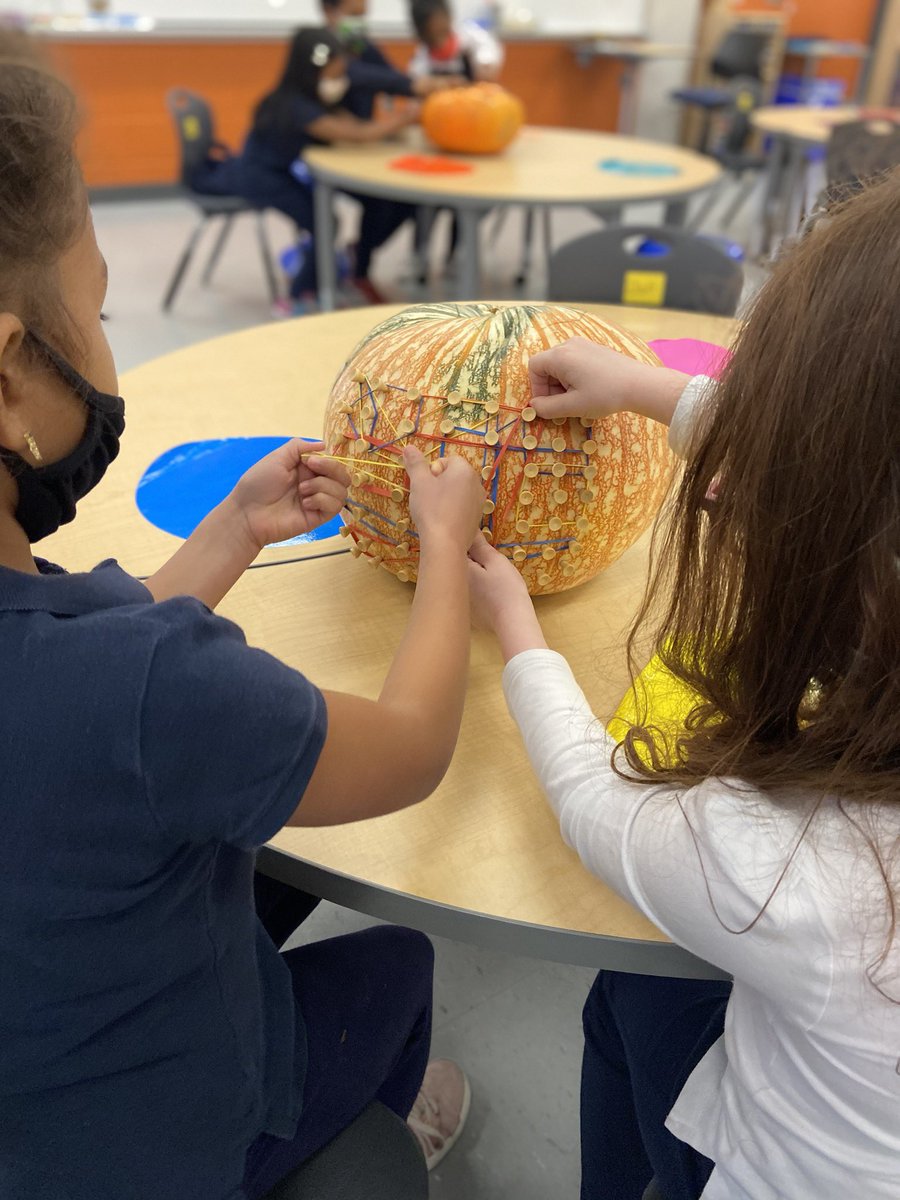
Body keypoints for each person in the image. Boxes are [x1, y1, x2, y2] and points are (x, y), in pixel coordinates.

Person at [0, 47, 482, 1199]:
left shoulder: (85, 668)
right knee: (399, 959)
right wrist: (451, 551)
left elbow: (82, 673)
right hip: (150, 1145)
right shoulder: (159, 689)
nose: (108, 341)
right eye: (99, 309)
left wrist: (231, 531)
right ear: (12, 372)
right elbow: (412, 746)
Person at [467, 173, 900, 1200]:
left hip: (768, 1168)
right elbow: (848, 470)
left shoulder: (798, 867)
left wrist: (517, 623)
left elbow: (588, 798)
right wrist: (643, 388)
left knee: (629, 984)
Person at [230, 28, 420, 310]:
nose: (338, 82)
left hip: (286, 171)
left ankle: (347, 270)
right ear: (312, 70)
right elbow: (358, 134)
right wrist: (404, 118)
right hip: (262, 177)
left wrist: (387, 129)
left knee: (384, 203)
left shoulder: (313, 97)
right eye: (332, 76)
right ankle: (298, 295)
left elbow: (353, 127)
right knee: (325, 222)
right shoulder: (297, 107)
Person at [321, 0, 462, 118]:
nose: (359, 22)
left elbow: (391, 74)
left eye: (362, 16)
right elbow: (353, 72)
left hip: (362, 141)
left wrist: (422, 85)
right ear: (329, 11)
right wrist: (413, 85)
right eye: (353, 15)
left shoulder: (363, 47)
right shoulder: (317, 47)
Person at [408, 0, 503, 83]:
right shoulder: (420, 61)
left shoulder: (472, 40)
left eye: (442, 31)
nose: (441, 42)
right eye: (433, 36)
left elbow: (488, 49)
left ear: (449, 17)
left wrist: (485, 64)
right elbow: (417, 90)